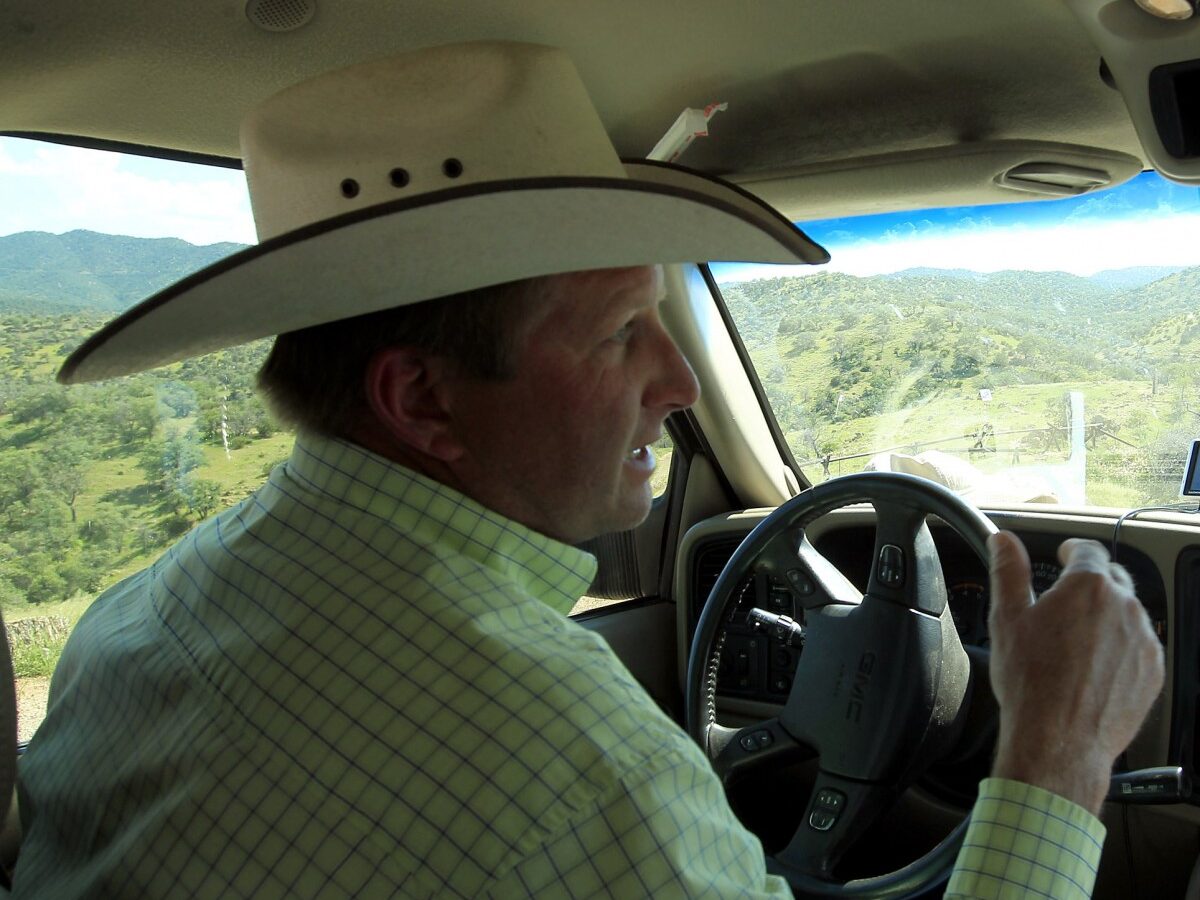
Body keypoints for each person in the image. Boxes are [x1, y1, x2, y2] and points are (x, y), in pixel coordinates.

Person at [12, 42, 1162, 898]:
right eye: (619, 331)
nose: (679, 382)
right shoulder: (560, 756)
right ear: (422, 400)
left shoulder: (128, 627)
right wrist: (1056, 750)